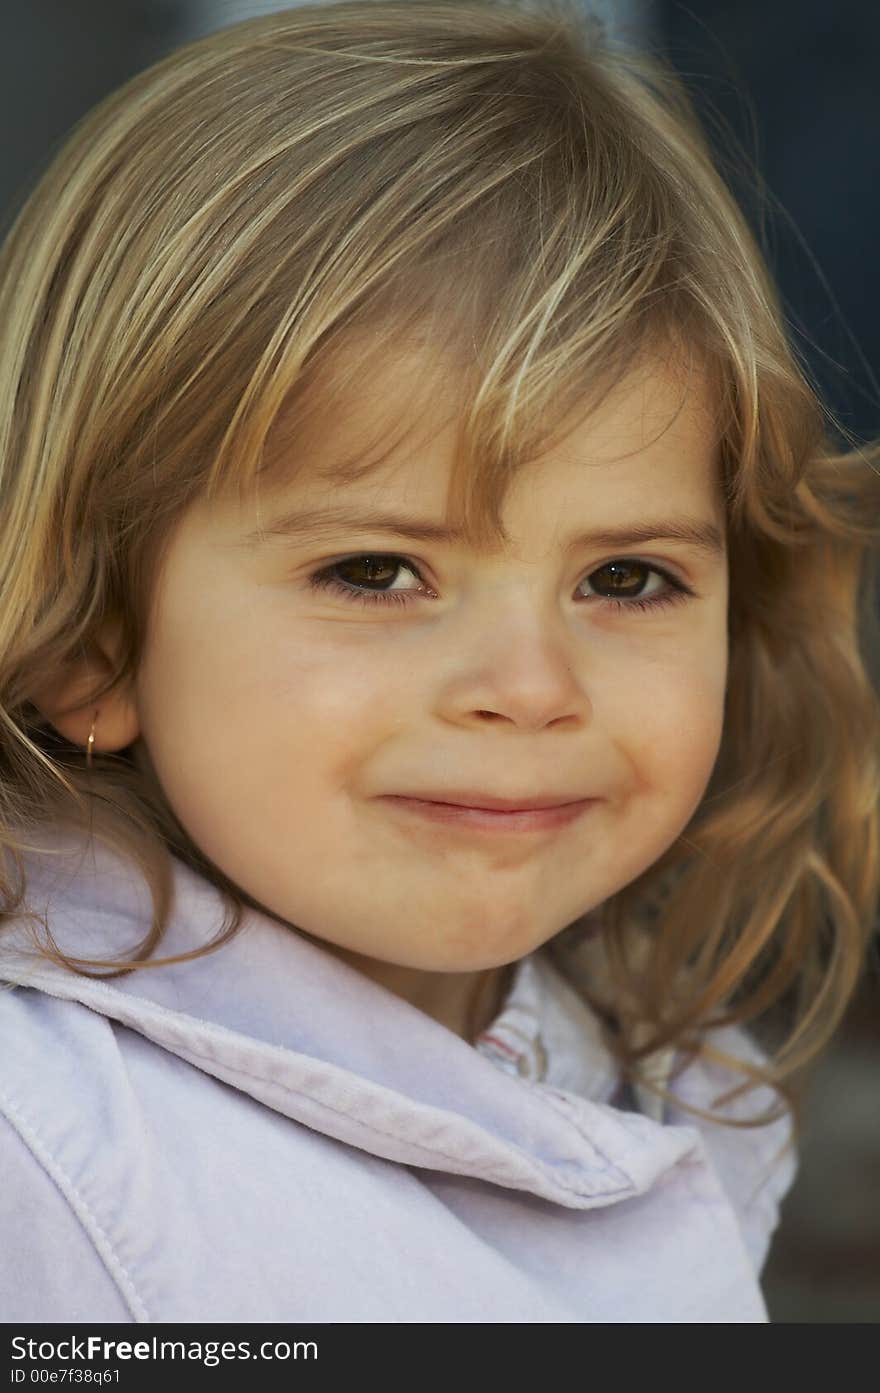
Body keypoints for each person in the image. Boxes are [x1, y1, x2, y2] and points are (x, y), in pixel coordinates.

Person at [0, 0, 877, 1324]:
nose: (531, 686)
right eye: (376, 571)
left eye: (626, 578)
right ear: (93, 641)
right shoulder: (42, 1156)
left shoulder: (688, 1071)